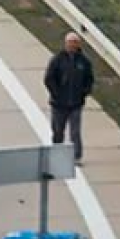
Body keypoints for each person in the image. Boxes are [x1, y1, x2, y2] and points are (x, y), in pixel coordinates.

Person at [45, 32, 94, 164]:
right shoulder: (57, 60)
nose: (72, 45)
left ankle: (76, 157)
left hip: (76, 104)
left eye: (75, 43)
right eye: (70, 42)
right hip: (58, 104)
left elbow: (89, 79)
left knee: (75, 132)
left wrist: (84, 92)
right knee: (58, 131)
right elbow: (49, 79)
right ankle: (57, 155)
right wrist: (56, 94)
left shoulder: (84, 62)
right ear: (65, 43)